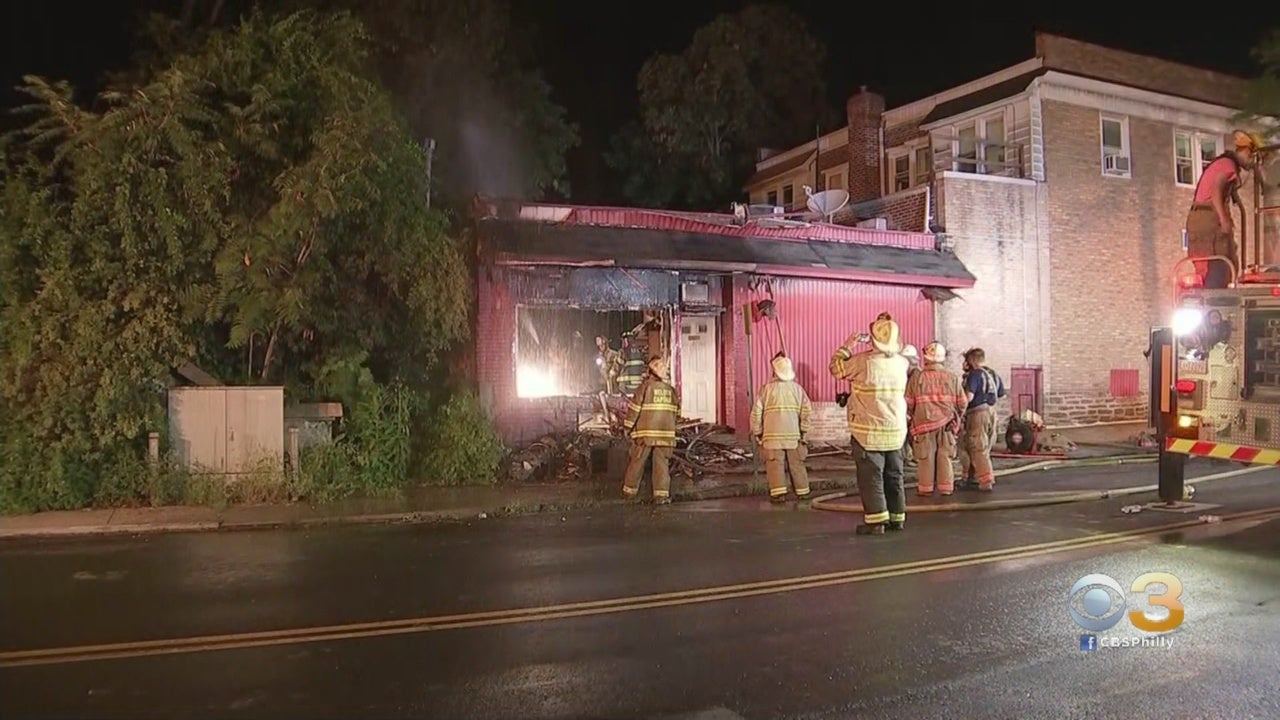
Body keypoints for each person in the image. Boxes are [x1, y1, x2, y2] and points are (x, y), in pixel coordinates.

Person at [829, 314, 910, 535]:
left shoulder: (863, 362)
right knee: (894, 475)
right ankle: (897, 518)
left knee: (871, 476)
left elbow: (836, 368)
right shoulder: (903, 363)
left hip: (868, 432)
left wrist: (847, 345)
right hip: (896, 431)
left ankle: (876, 522)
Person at [1185, 130, 1265, 289]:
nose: (1251, 163)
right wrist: (1223, 219)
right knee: (1219, 262)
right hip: (1208, 220)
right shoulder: (1229, 166)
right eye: (1252, 158)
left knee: (1221, 260)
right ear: (1246, 151)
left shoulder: (1223, 163)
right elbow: (1216, 190)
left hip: (1201, 219)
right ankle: (1214, 301)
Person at [905, 342, 969, 496]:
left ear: (925, 358)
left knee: (925, 458)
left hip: (922, 426)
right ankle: (946, 489)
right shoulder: (952, 378)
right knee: (945, 457)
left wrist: (912, 417)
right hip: (947, 425)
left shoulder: (916, 378)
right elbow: (963, 403)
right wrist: (957, 418)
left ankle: (925, 490)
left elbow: (908, 403)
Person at [751, 353, 813, 503]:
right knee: (797, 464)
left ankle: (778, 494)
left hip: (771, 436)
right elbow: (807, 412)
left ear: (774, 372)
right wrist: (804, 431)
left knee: (774, 464)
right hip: (793, 436)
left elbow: (756, 413)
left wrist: (757, 431)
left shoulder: (765, 390)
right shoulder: (798, 390)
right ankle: (803, 492)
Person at [622, 357, 680, 504]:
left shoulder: (645, 388)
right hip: (665, 435)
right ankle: (661, 495)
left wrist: (627, 428)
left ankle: (629, 492)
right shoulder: (671, 391)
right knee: (661, 465)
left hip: (645, 434)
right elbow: (676, 414)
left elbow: (634, 410)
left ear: (651, 372)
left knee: (637, 462)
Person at [958, 348, 1005, 491]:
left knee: (976, 446)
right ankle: (971, 477)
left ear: (971, 360)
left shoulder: (975, 375)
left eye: (966, 361)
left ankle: (985, 481)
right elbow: (1001, 393)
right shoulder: (993, 374)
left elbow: (969, 397)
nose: (964, 364)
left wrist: (958, 412)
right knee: (979, 445)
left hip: (977, 413)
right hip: (991, 413)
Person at [900, 345, 920, 466]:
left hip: (913, 411)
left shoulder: (916, 375)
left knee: (912, 435)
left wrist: (910, 413)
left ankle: (914, 457)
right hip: (907, 410)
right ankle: (908, 457)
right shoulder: (909, 375)